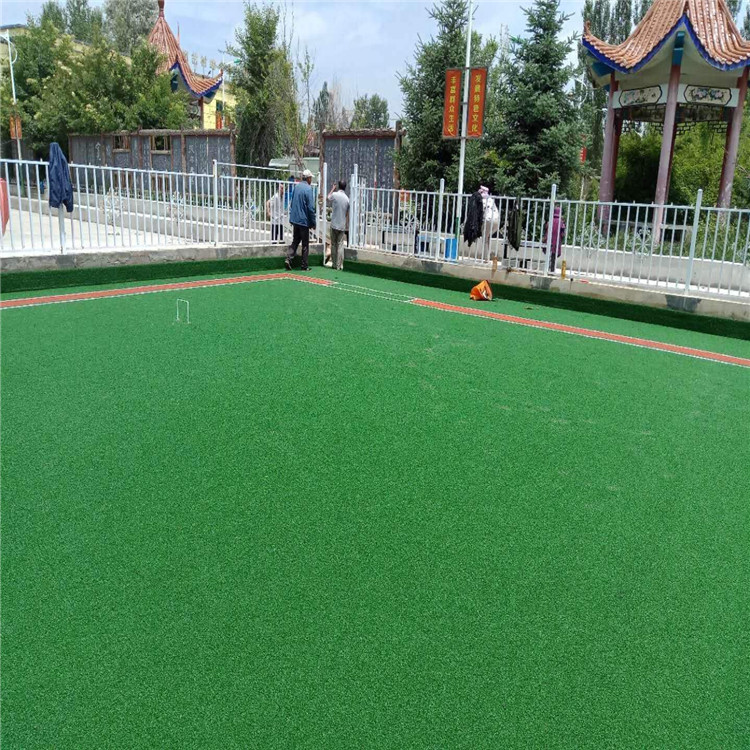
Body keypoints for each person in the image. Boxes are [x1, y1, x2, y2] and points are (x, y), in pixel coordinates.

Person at [285, 170, 316, 271]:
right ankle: (304, 265)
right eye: (311, 178)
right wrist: (313, 222)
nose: (311, 180)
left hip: (295, 220)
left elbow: (292, 203)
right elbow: (310, 208)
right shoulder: (308, 189)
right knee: (305, 244)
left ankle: (288, 258)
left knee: (295, 241)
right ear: (308, 178)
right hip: (303, 221)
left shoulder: (296, 187)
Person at [326, 180, 349, 270]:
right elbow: (346, 213)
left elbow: (328, 198)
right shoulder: (347, 199)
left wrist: (333, 188)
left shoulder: (335, 195)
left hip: (334, 224)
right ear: (345, 187)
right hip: (342, 225)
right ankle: (339, 266)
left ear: (339, 186)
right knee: (340, 245)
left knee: (333, 244)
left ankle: (334, 264)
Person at [545, 206, 566, 273]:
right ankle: (552, 270)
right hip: (556, 241)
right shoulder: (561, 222)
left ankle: (546, 269)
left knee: (548, 255)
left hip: (549, 241)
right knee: (554, 256)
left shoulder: (550, 220)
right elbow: (562, 234)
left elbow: (546, 229)